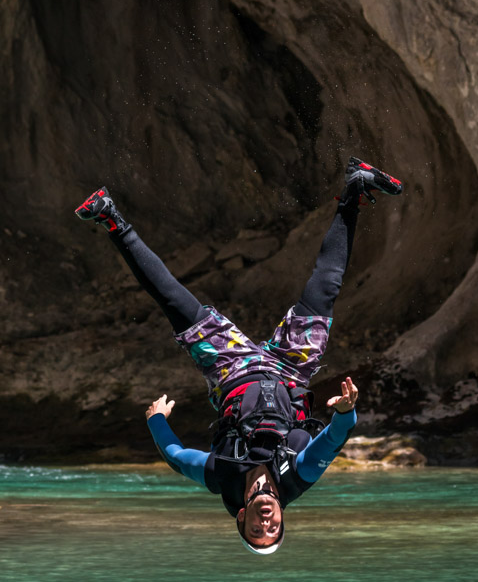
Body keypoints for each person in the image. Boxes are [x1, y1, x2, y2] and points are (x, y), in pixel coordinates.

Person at [75, 157, 403, 555]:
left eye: (256, 529)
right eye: (273, 528)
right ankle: (355, 187)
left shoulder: (222, 477)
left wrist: (157, 421)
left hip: (230, 372)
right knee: (325, 288)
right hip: (291, 370)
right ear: (281, 516)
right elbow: (334, 439)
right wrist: (347, 410)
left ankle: (110, 217)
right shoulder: (299, 475)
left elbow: (178, 459)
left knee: (174, 302)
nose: (265, 522)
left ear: (240, 518)